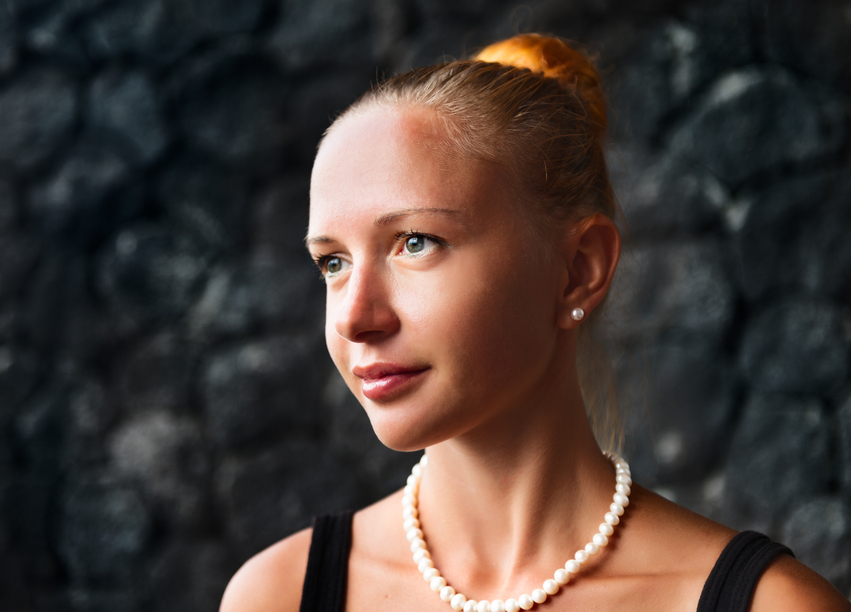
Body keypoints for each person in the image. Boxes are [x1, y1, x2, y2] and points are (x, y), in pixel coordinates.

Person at [220, 34, 850, 612]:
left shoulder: (772, 606)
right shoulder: (275, 597)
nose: (355, 318)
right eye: (332, 262)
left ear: (579, 269)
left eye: (416, 242)